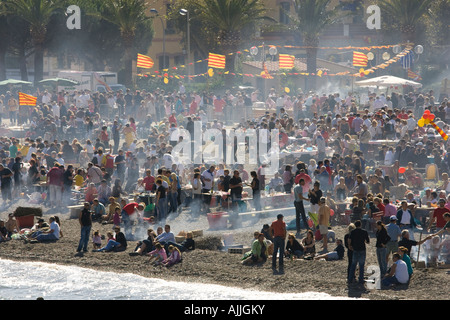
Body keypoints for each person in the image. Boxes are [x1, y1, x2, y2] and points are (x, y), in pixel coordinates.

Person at [347, 220, 370, 285]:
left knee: (353, 265)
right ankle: (361, 279)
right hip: (362, 249)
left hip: (355, 249)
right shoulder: (364, 232)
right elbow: (367, 241)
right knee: (361, 265)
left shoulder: (352, 232)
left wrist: (349, 246)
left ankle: (350, 279)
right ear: (360, 225)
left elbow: (349, 240)